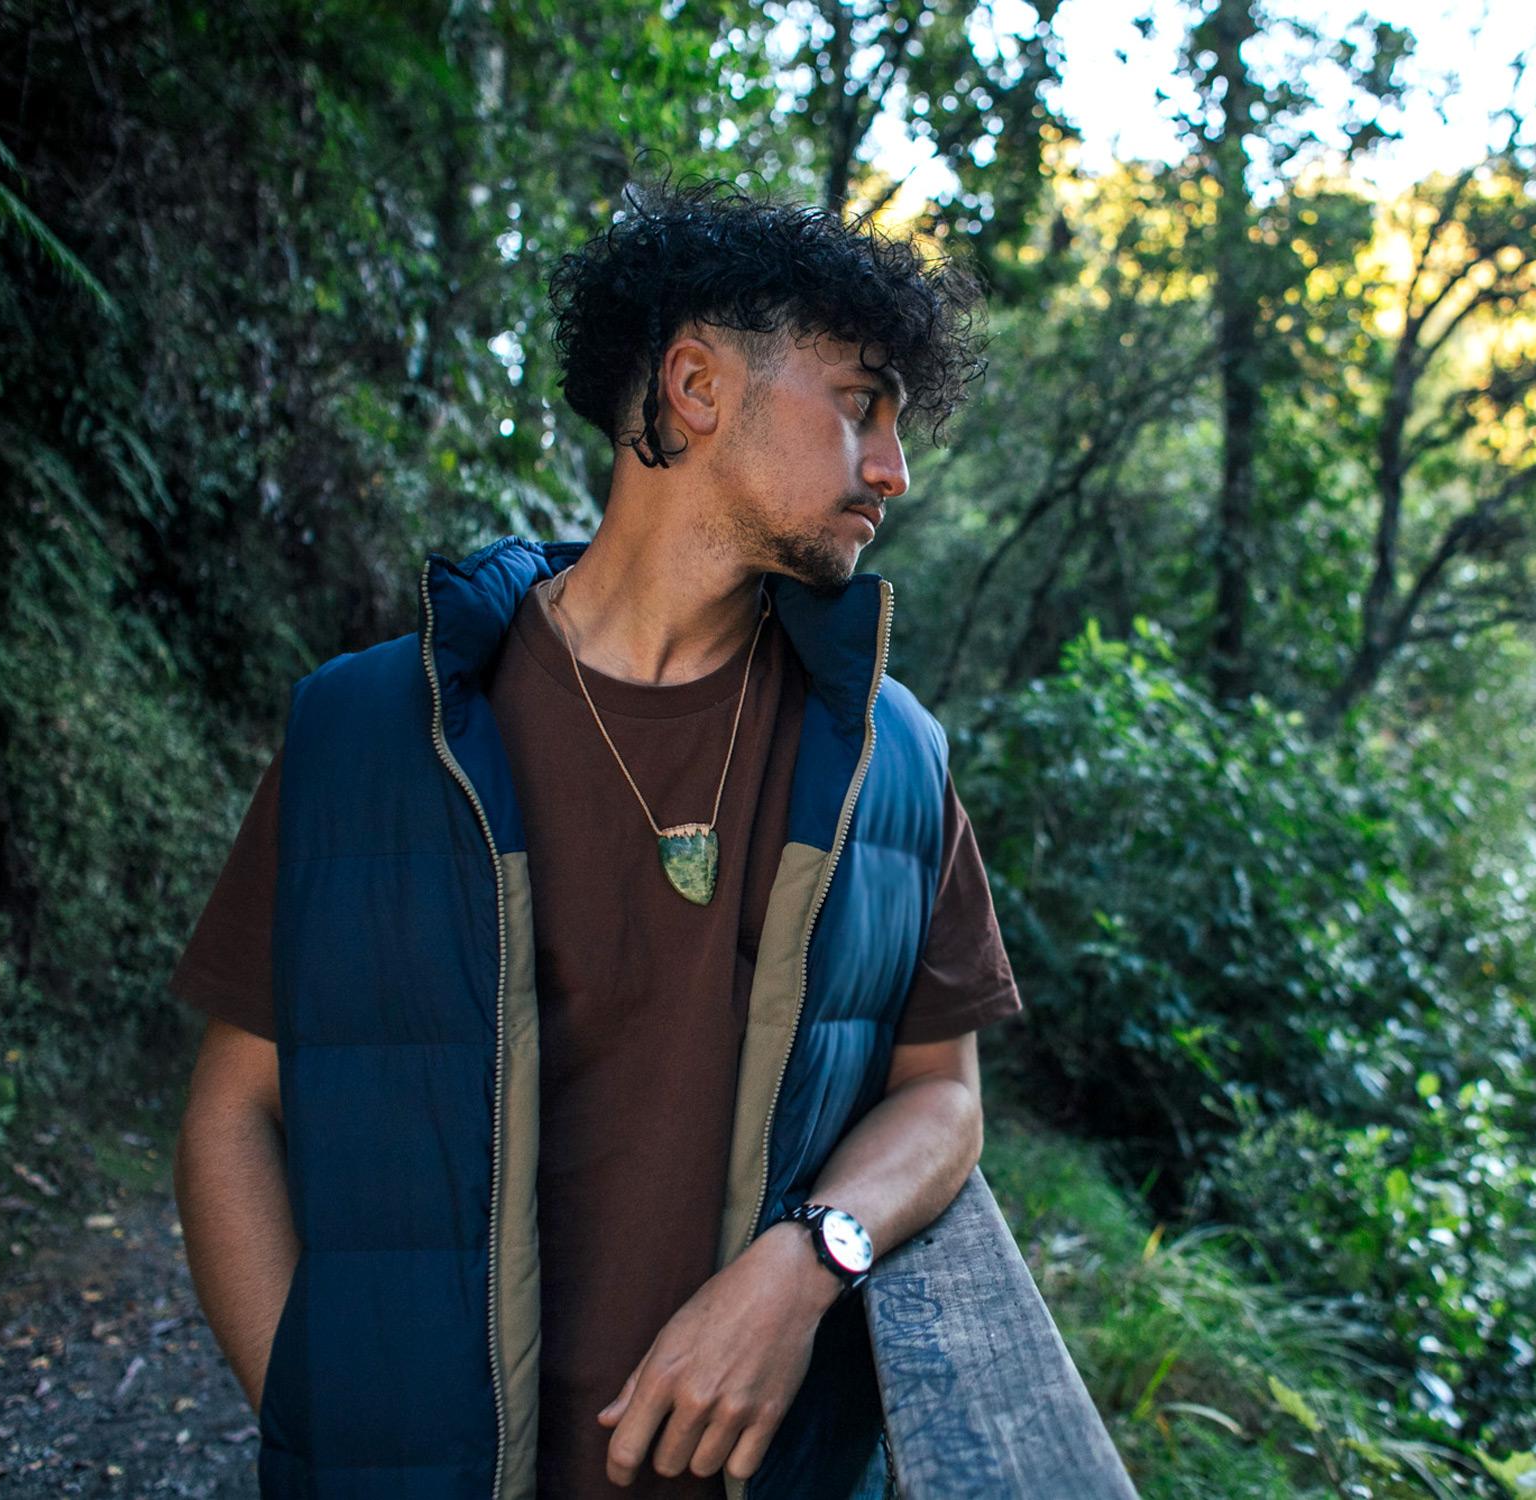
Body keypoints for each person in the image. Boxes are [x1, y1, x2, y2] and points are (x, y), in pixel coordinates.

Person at [168, 174, 1016, 1500]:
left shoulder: (890, 756)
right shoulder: (371, 731)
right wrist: (314, 1409)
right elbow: (233, 1107)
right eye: (860, 406)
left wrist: (810, 1260)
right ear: (695, 387)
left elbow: (944, 1093)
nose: (893, 470)